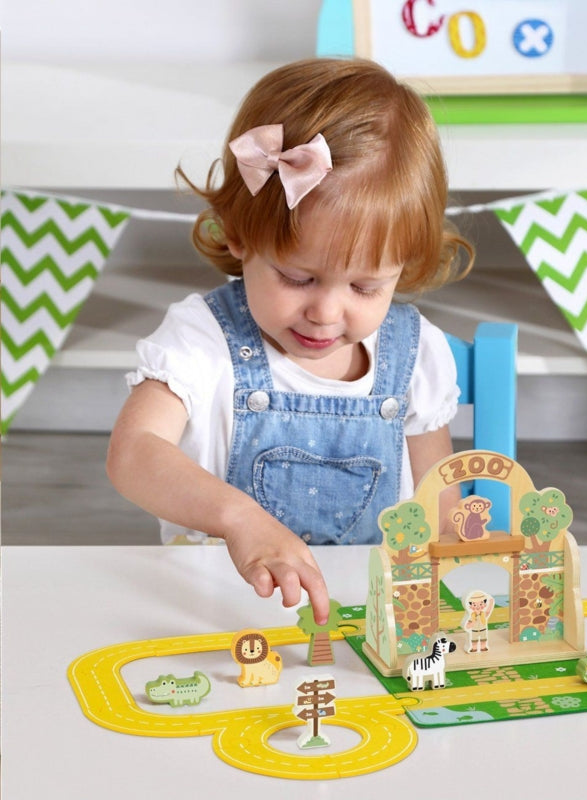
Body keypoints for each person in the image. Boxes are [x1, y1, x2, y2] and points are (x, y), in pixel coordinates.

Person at [106, 58, 474, 626]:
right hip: (219, 616)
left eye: (365, 286)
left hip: (368, 624)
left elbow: (440, 511)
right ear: (239, 235)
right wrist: (238, 519)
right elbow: (133, 453)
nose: (325, 312)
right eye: (298, 278)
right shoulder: (203, 339)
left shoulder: (416, 353)